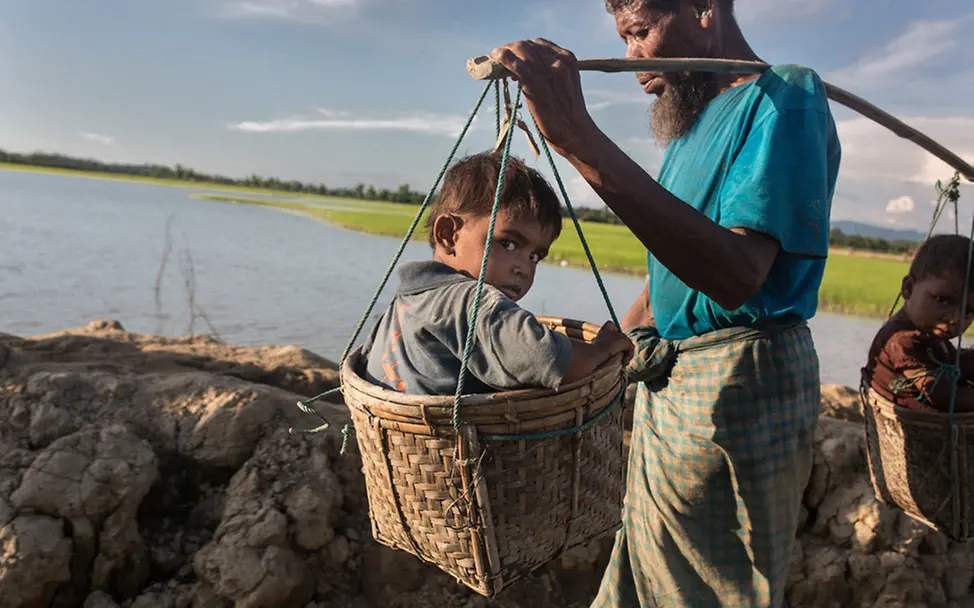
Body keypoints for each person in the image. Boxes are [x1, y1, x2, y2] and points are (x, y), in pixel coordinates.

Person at [490, 0, 841, 605]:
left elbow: (734, 275)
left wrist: (576, 137)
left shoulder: (784, 96)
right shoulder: (691, 129)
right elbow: (668, 276)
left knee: (709, 588)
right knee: (646, 581)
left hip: (736, 392)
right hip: (674, 393)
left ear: (704, 8)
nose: (632, 62)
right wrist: (605, 353)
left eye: (640, 33)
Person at [362, 151, 633, 397]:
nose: (523, 268)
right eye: (508, 244)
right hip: (466, 447)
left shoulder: (405, 302)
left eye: (535, 256)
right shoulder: (470, 301)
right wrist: (601, 349)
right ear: (448, 235)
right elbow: (548, 359)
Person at [864, 234, 974, 413]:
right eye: (943, 300)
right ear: (908, 288)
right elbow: (944, 397)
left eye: (969, 311)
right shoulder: (903, 341)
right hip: (919, 433)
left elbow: (951, 362)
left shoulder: (929, 334)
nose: (955, 319)